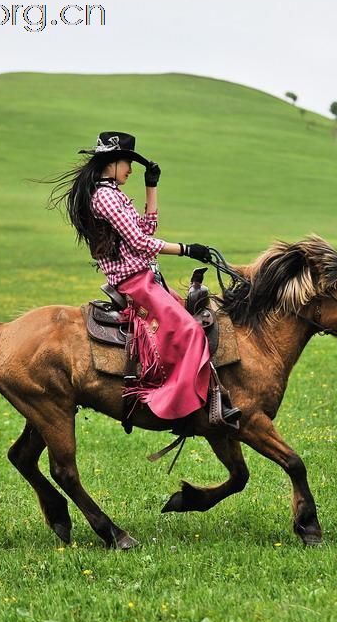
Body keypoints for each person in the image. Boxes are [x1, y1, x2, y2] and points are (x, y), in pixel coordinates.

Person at [49, 131, 240, 428]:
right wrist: (187, 249)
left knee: (195, 318)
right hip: (135, 283)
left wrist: (151, 188)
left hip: (147, 278)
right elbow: (139, 242)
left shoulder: (114, 194)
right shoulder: (106, 197)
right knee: (189, 330)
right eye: (127, 162)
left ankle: (210, 393)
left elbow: (147, 228)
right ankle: (179, 404)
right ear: (111, 162)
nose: (131, 169)